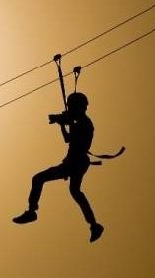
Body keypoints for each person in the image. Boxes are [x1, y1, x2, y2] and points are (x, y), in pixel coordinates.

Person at [12, 92, 104, 243]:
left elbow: (73, 136)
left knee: (39, 178)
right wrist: (62, 124)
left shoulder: (84, 123)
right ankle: (94, 225)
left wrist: (62, 120)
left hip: (76, 162)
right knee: (75, 192)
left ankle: (31, 211)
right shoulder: (78, 121)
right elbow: (68, 139)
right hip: (74, 163)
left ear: (80, 106)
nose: (71, 109)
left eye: (73, 106)